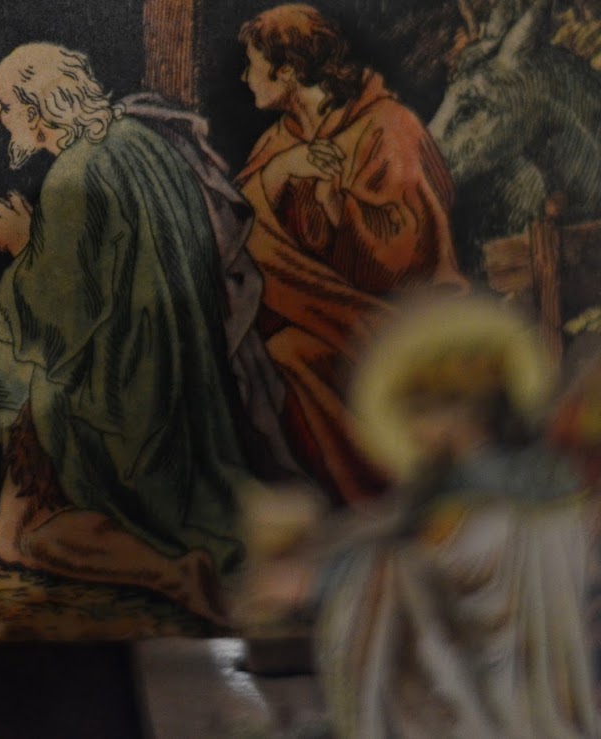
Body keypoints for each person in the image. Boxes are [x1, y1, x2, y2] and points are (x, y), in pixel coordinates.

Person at [0, 44, 251, 623]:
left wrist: (19, 246)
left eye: (5, 104)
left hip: (120, 397)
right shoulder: (138, 142)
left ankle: (175, 573)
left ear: (39, 107)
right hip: (182, 381)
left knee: (16, 533)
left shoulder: (74, 174)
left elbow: (62, 318)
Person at [237, 297, 598, 738]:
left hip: (493, 698)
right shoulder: (482, 478)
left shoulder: (487, 493)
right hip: (518, 678)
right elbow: (390, 523)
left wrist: (317, 578)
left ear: (460, 412)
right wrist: (318, 550)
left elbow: (433, 559)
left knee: (394, 590)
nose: (410, 429)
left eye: (416, 410)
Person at [236, 4, 465, 504]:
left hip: (400, 320)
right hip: (321, 314)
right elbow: (234, 227)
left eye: (252, 65)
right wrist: (279, 173)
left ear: (288, 71)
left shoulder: (388, 127)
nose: (244, 78)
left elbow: (405, 258)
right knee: (268, 356)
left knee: (288, 354)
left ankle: (382, 494)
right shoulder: (279, 143)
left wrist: (338, 206)